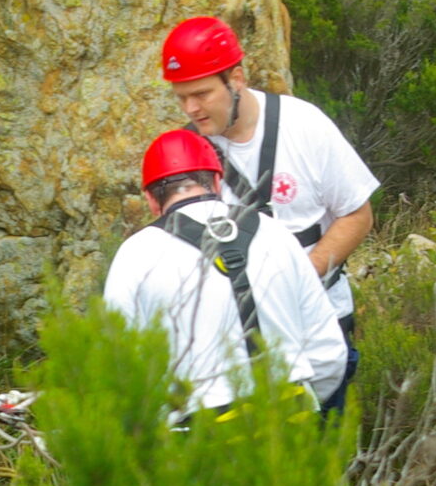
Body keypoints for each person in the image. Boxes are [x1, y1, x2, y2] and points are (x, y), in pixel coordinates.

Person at [159, 16, 379, 414]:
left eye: (202, 94)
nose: (191, 109)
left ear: (236, 79)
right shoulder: (187, 155)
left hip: (319, 330)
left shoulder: (303, 125)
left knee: (320, 444)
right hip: (231, 348)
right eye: (181, 97)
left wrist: (298, 280)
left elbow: (357, 215)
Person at [102, 129, 349, 422]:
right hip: (293, 420)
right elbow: (328, 350)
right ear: (217, 182)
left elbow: (120, 365)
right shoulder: (277, 234)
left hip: (200, 434)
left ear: (150, 199)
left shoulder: (136, 255)